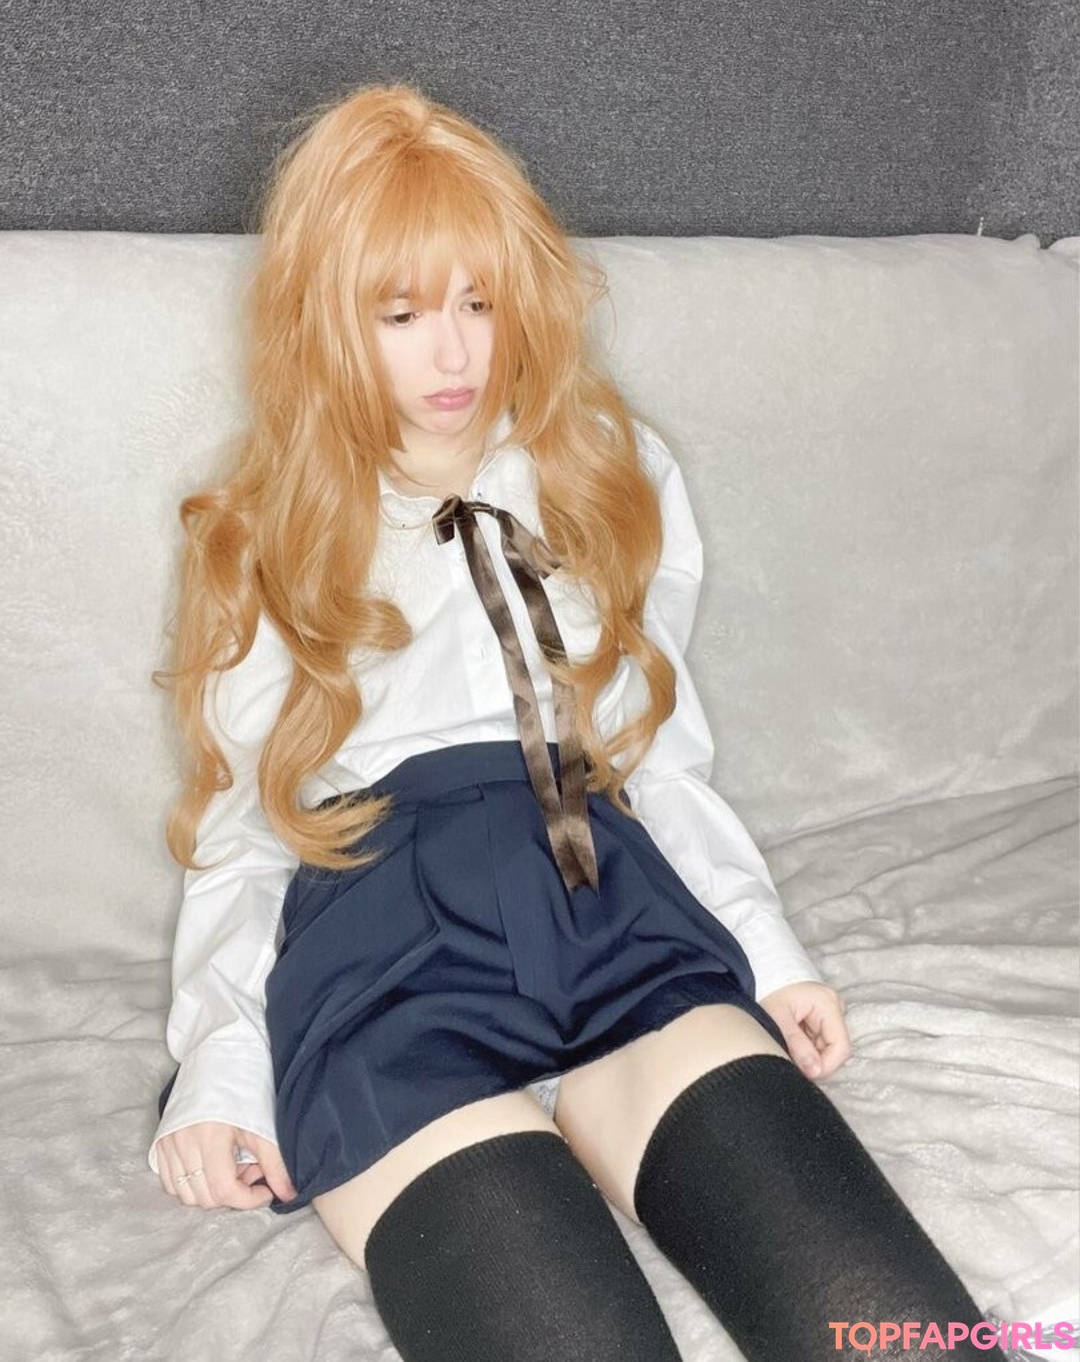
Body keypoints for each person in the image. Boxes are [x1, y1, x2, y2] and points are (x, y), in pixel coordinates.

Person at [147, 83, 1007, 1362]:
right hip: (385, 954)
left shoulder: (604, 468)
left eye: (479, 302)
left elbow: (656, 753)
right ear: (326, 322)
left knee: (903, 1335)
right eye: (401, 314)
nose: (454, 356)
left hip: (610, 904)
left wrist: (764, 949)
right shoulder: (263, 531)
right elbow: (244, 836)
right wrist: (223, 1070)